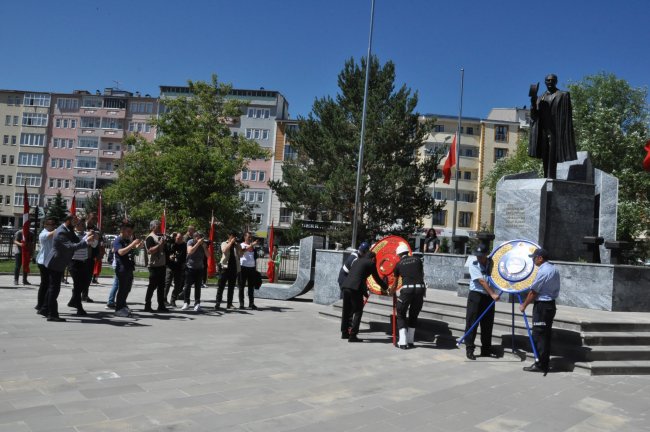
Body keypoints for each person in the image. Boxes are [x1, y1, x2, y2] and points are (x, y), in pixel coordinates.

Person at [42, 213, 95, 322]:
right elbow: (71, 247)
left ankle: (44, 308)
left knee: (52, 288)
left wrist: (87, 236)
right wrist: (86, 242)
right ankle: (52, 314)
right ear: (68, 220)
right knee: (54, 289)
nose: (76, 224)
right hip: (55, 263)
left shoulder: (68, 229)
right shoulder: (61, 231)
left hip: (59, 262)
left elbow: (77, 240)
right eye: (75, 221)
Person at [529, 74, 578, 179]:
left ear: (556, 81)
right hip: (543, 130)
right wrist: (533, 101)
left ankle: (551, 178)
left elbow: (567, 115)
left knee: (553, 155)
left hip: (556, 130)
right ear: (545, 82)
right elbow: (534, 116)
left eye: (552, 80)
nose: (550, 82)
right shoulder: (540, 98)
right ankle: (547, 178)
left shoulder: (563, 95)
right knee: (545, 155)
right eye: (548, 80)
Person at [520, 248, 560, 375]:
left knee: (539, 336)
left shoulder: (543, 271)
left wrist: (524, 305)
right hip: (550, 305)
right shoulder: (553, 268)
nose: (533, 260)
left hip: (542, 307)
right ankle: (544, 362)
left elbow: (534, 291)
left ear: (540, 258)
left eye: (534, 257)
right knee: (544, 335)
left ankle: (540, 364)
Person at [340, 251, 388, 343]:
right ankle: (353, 335)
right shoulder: (371, 263)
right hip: (355, 288)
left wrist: (365, 292)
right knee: (358, 311)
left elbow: (358, 276)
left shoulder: (358, 260)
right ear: (373, 258)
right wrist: (386, 287)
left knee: (346, 311)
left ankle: (344, 333)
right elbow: (376, 278)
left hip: (346, 286)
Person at [464, 244, 501, 360]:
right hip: (476, 296)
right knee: (472, 322)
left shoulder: (492, 262)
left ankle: (486, 349)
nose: (479, 258)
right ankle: (470, 349)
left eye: (482, 256)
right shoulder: (473, 264)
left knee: (487, 324)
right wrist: (493, 294)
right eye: (478, 256)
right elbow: (481, 281)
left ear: (486, 254)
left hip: (488, 297)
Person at [390, 243, 426, 349]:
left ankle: (402, 342)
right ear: (407, 252)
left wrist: (390, 292)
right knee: (413, 315)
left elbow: (395, 284)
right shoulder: (418, 260)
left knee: (401, 313)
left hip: (407, 290)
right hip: (420, 289)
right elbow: (422, 275)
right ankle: (410, 341)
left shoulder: (398, 264)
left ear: (399, 254)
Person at [338, 242, 370, 339]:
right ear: (364, 251)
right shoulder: (356, 259)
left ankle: (345, 331)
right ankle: (349, 329)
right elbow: (357, 276)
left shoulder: (355, 254)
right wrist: (365, 290)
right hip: (347, 282)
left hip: (345, 282)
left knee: (347, 308)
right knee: (352, 308)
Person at [67, 218, 98, 316]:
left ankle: (73, 301)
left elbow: (93, 245)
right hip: (73, 262)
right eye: (78, 225)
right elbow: (75, 245)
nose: (80, 226)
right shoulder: (72, 234)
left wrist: (95, 237)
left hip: (84, 262)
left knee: (84, 284)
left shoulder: (86, 234)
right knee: (77, 285)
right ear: (75, 226)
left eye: (81, 225)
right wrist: (87, 238)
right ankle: (79, 307)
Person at [113, 221, 142, 317]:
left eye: (131, 232)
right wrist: (132, 244)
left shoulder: (127, 240)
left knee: (127, 288)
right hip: (122, 268)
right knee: (122, 289)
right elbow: (121, 252)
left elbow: (133, 253)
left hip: (129, 267)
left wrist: (138, 248)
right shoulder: (118, 240)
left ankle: (123, 305)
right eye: (128, 231)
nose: (130, 234)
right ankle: (118, 308)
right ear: (123, 230)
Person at [144, 220, 168, 312]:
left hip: (161, 265)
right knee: (152, 286)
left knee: (161, 287)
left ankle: (161, 305)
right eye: (158, 226)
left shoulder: (160, 236)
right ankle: (147, 305)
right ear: (153, 227)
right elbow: (150, 251)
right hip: (154, 266)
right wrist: (159, 244)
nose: (159, 228)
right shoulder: (150, 238)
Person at [182, 231, 208, 311]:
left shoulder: (203, 244)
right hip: (190, 267)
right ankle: (186, 303)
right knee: (187, 286)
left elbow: (208, 255)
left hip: (199, 268)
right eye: (199, 237)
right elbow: (190, 251)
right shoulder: (190, 242)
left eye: (201, 237)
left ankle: (197, 304)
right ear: (195, 237)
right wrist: (197, 244)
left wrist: (204, 247)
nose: (200, 239)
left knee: (198, 287)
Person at [216, 230, 242, 310]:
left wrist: (238, 246)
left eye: (235, 236)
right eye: (232, 236)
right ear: (229, 236)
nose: (234, 237)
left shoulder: (236, 245)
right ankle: (218, 303)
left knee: (231, 288)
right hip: (225, 268)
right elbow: (224, 250)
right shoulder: (225, 243)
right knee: (221, 287)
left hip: (234, 268)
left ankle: (229, 304)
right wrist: (231, 243)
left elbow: (240, 255)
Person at [35, 217, 57, 313]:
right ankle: (40, 305)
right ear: (45, 225)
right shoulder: (43, 234)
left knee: (47, 285)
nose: (52, 226)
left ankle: (43, 305)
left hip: (50, 262)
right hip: (43, 262)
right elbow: (51, 234)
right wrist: (60, 229)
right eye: (51, 225)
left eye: (53, 225)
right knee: (44, 284)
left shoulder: (53, 233)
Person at [238, 231, 259, 310]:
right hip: (243, 267)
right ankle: (241, 304)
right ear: (244, 237)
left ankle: (251, 303)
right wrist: (252, 245)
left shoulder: (253, 247)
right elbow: (241, 252)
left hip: (252, 268)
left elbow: (254, 257)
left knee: (251, 287)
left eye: (251, 237)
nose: (250, 238)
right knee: (241, 286)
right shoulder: (241, 245)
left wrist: (255, 268)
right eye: (248, 237)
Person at [165, 232, 187, 308]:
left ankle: (173, 300)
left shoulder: (184, 245)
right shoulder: (171, 243)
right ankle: (164, 299)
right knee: (167, 283)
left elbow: (185, 256)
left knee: (178, 285)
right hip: (170, 266)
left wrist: (184, 263)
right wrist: (169, 257)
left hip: (179, 266)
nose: (179, 240)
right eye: (178, 238)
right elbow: (166, 253)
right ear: (175, 238)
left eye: (181, 238)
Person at [83, 212, 100, 301]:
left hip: (90, 255)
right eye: (92, 218)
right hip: (80, 255)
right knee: (80, 277)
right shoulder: (81, 226)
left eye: (95, 219)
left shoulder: (96, 229)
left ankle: (85, 295)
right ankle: (77, 295)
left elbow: (97, 242)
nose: (94, 221)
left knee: (88, 276)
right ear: (88, 218)